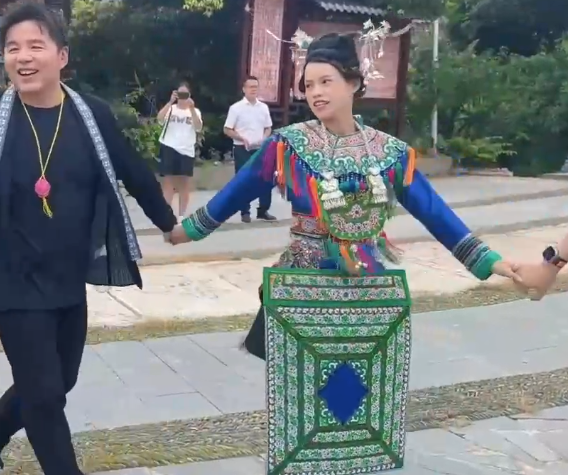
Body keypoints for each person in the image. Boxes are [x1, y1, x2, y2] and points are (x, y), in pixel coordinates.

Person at [167, 33, 520, 473]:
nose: (315, 93)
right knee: (301, 394)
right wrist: (184, 231)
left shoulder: (390, 154)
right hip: (304, 285)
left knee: (359, 391)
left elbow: (435, 213)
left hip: (365, 288)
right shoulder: (288, 145)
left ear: (353, 83)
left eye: (326, 81)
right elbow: (235, 193)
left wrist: (490, 262)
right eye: (308, 85)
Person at [0, 2, 176, 475]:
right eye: (12, 48)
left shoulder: (91, 115)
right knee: (43, 395)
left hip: (66, 275)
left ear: (62, 56)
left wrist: (168, 222)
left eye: (35, 46)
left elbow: (133, 170)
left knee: (61, 381)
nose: (23, 57)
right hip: (11, 277)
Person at [224, 75, 275, 222]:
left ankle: (263, 210)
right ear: (244, 89)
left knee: (265, 178)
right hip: (242, 148)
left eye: (256, 87)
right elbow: (227, 129)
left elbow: (268, 127)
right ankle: (245, 211)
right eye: (251, 87)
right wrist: (241, 138)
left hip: (260, 148)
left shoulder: (263, 107)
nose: (253, 89)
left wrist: (264, 138)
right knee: (244, 179)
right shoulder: (236, 108)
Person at [156, 81, 203, 218]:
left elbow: (198, 127)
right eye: (180, 94)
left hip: (186, 149)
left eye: (185, 94)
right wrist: (170, 102)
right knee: (168, 182)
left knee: (184, 184)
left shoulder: (195, 111)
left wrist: (192, 108)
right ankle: (167, 214)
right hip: (169, 146)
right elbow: (159, 119)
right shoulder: (171, 108)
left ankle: (181, 215)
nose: (182, 97)